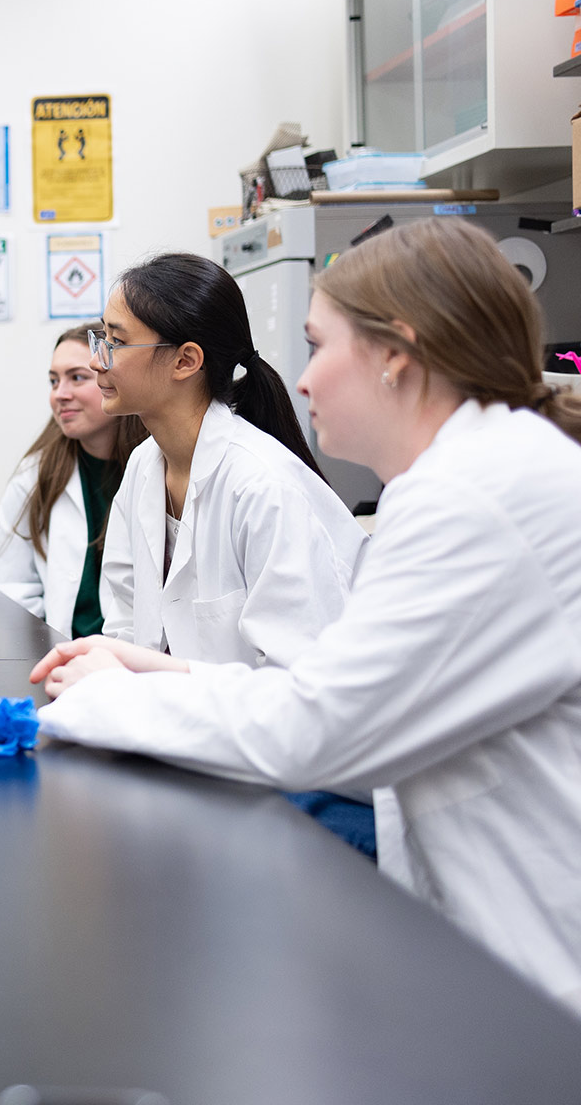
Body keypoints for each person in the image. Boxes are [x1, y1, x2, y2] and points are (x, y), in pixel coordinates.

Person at [31, 218, 581, 1015]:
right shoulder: (470, 476)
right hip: (488, 919)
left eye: (320, 346)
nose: (305, 378)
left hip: (536, 958)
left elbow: (314, 726)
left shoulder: (468, 498)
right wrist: (141, 669)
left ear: (396, 353)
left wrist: (117, 699)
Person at [89, 252, 365, 667]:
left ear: (185, 361)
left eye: (117, 342)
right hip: (177, 720)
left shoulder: (262, 486)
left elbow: (300, 679)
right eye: (102, 338)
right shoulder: (145, 466)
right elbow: (125, 625)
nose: (97, 359)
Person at [0, 324, 148, 638]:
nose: (60, 394)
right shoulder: (34, 476)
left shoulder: (158, 470)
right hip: (61, 663)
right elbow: (11, 590)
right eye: (53, 381)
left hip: (139, 666)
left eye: (77, 377)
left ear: (114, 380)